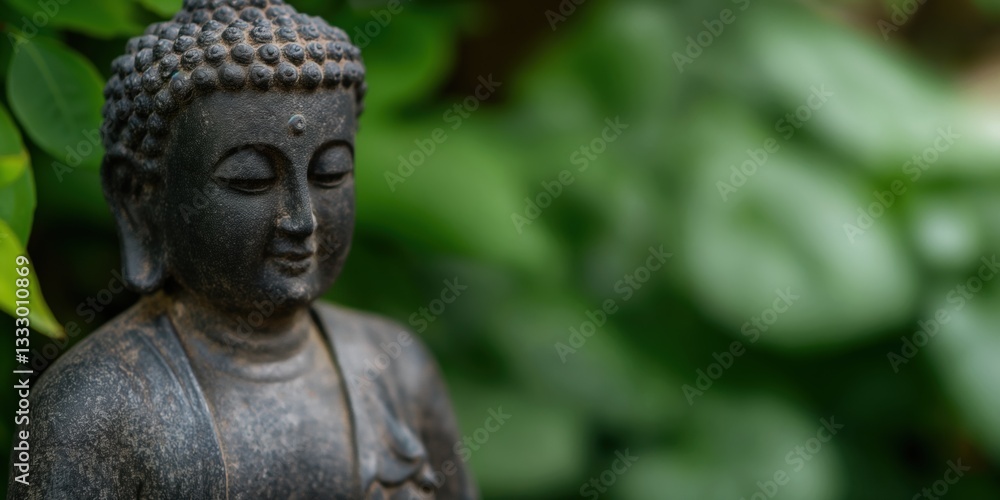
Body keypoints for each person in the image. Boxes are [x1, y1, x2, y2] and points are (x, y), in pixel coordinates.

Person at [8, 1, 476, 498]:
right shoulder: (97, 409)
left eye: (330, 173)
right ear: (140, 197)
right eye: (250, 179)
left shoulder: (394, 368)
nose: (302, 220)